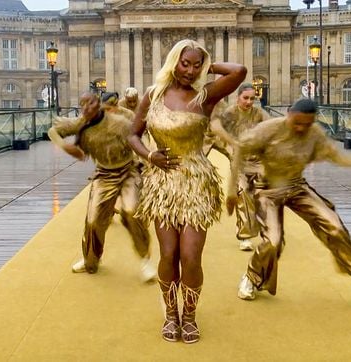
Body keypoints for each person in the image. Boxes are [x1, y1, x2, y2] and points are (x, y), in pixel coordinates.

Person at [226, 98, 351, 308]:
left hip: (296, 187)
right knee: (273, 240)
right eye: (297, 123)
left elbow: (340, 158)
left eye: (307, 124)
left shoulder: (315, 134)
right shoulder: (269, 129)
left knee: (335, 227)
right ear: (289, 114)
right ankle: (251, 277)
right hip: (268, 189)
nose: (301, 128)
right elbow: (239, 149)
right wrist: (232, 191)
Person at [128, 39, 246, 344]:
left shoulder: (205, 97)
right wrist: (149, 155)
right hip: (162, 185)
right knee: (169, 253)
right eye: (185, 63)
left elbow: (239, 71)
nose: (191, 71)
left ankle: (190, 316)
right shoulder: (153, 96)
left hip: (196, 184)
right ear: (173, 62)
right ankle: (171, 315)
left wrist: (208, 64)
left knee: (191, 256)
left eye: (196, 65)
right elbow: (133, 134)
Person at [47, 91, 156, 283]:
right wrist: (65, 146)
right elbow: (53, 131)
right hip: (104, 174)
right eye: (82, 104)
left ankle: (145, 259)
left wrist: (147, 161)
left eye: (89, 103)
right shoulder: (80, 124)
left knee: (131, 212)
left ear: (98, 104)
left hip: (128, 170)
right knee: (93, 220)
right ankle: (91, 260)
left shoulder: (120, 123)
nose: (86, 108)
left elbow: (136, 139)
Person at [219, 83, 270, 251]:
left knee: (263, 196)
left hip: (259, 162)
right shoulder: (229, 114)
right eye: (245, 98)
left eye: (252, 99)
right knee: (244, 196)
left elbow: (272, 129)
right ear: (238, 97)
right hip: (240, 162)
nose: (249, 102)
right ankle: (245, 236)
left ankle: (267, 232)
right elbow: (216, 135)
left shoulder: (260, 113)